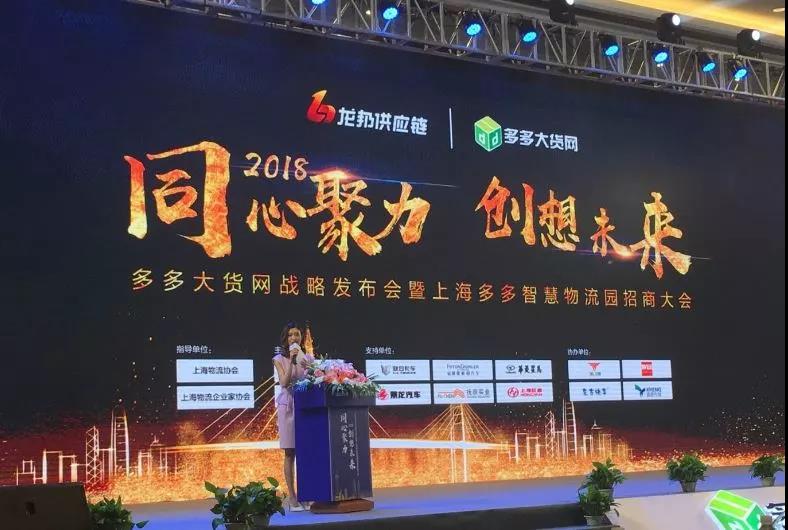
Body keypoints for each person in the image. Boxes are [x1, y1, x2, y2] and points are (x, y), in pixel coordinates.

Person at [273, 322, 314, 512]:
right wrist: (291, 360)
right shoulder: (278, 359)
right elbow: (284, 382)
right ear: (285, 338)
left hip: (305, 406)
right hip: (288, 407)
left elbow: (314, 378)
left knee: (306, 451)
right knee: (290, 452)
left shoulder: (308, 358)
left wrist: (306, 363)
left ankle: (308, 494)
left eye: (296, 334)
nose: (294, 338)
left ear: (301, 337)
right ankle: (292, 497)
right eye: (290, 335)